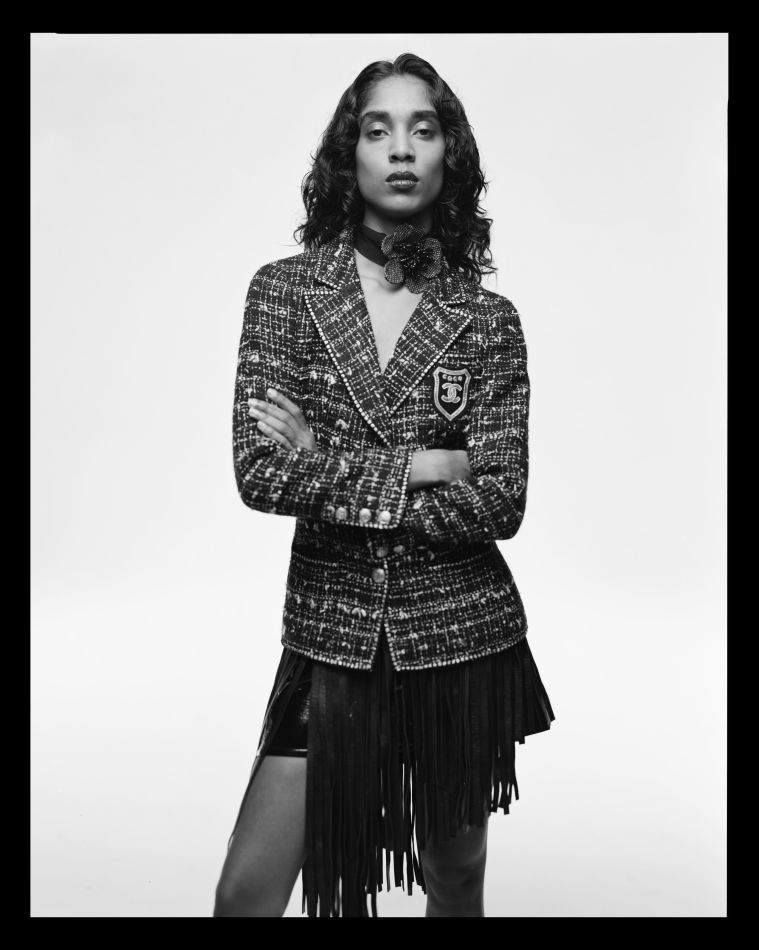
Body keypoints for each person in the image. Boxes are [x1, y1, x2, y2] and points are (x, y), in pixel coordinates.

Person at [213, 52, 555, 919]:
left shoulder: (487, 321)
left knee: (455, 877)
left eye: (422, 129)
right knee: (246, 893)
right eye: (378, 129)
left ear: (449, 155)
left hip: (458, 636)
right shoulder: (285, 294)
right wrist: (422, 465)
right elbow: (260, 472)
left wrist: (325, 458)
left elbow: (500, 499)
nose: (401, 148)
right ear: (349, 154)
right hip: (330, 631)